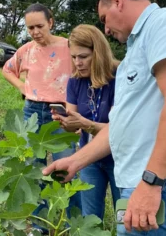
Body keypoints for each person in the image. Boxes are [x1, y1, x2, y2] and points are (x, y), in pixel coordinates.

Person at [43, 0, 166, 236]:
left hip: (156, 177)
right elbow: (120, 125)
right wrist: (76, 161)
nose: (105, 30)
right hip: (139, 176)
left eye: (104, 19)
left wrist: (152, 181)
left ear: (117, 1)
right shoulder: (134, 52)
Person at [2, 3, 81, 234]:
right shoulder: (26, 50)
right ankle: (39, 226)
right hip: (32, 112)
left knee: (66, 169)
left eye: (39, 26)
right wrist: (24, 88)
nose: (35, 32)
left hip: (62, 112)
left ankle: (70, 224)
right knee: (32, 170)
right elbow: (7, 70)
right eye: (30, 28)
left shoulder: (69, 46)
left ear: (51, 23)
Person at [51, 24, 120, 220]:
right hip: (89, 157)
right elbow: (73, 122)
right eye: (73, 57)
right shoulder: (75, 81)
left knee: (125, 220)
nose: (78, 63)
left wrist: (83, 123)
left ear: (98, 53)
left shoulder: (120, 77)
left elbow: (120, 129)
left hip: (120, 159)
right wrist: (66, 122)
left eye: (83, 57)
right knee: (89, 219)